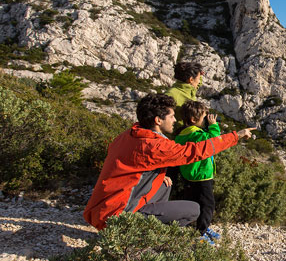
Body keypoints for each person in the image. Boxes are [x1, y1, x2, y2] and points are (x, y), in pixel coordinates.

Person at [83, 93, 255, 231]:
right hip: (117, 217)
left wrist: (158, 175)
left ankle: (144, 223)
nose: (175, 120)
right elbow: (197, 151)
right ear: (158, 120)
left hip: (104, 209)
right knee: (194, 210)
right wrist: (236, 136)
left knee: (165, 183)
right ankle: (140, 236)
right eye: (171, 116)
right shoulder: (153, 146)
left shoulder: (130, 134)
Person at [174, 100, 222, 241]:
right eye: (204, 117)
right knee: (207, 205)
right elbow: (214, 141)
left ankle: (192, 227)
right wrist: (213, 126)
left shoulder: (185, 133)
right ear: (194, 119)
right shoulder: (196, 135)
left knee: (192, 203)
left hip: (189, 175)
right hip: (201, 176)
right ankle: (201, 232)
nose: (207, 119)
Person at [165, 61, 204, 130]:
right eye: (198, 78)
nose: (199, 82)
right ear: (191, 80)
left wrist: (199, 75)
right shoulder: (171, 95)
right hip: (179, 135)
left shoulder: (188, 89)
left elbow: (198, 84)